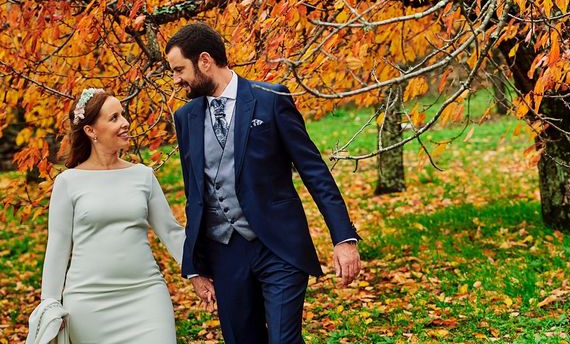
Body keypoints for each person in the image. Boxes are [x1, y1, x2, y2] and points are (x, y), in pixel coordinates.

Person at [165, 23, 362, 344]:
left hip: (278, 246)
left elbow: (314, 170)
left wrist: (343, 238)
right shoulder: (186, 118)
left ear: (204, 61)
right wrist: (194, 267)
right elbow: (195, 196)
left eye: (178, 69)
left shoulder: (270, 99)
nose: (175, 80)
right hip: (224, 253)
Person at [35, 88, 185, 343]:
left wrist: (199, 272)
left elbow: (172, 232)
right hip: (88, 304)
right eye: (114, 118)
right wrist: (49, 303)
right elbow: (58, 247)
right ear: (91, 131)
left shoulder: (143, 176)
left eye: (123, 115)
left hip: (146, 296)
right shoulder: (68, 182)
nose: (125, 122)